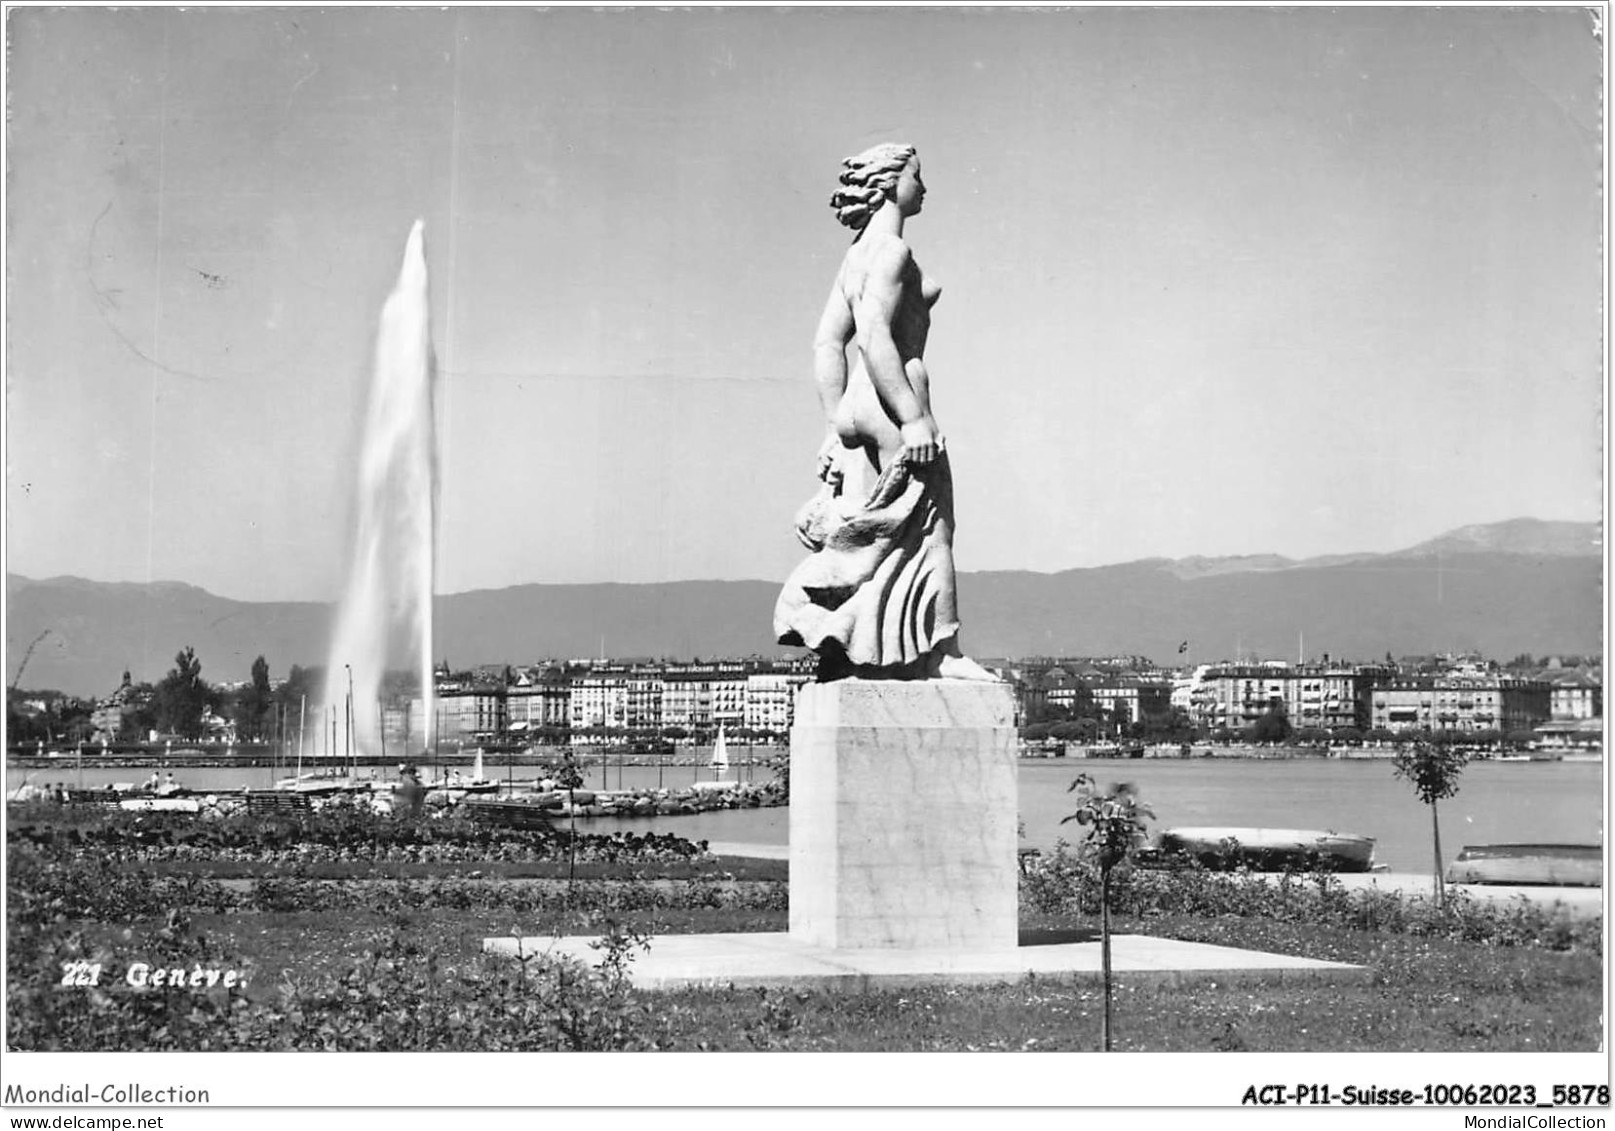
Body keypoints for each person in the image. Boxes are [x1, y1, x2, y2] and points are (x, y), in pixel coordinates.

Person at [774, 143, 997, 682]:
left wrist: (834, 425)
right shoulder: (892, 253)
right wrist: (913, 417)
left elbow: (828, 343)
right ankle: (943, 653)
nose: (923, 187)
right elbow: (874, 336)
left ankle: (841, 650)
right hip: (893, 400)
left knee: (865, 533)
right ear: (888, 183)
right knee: (931, 529)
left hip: (856, 406)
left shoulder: (855, 257)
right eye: (917, 176)